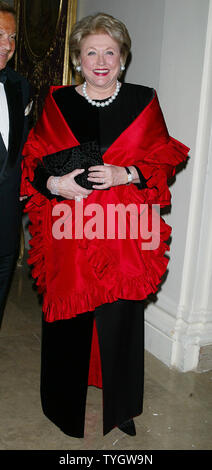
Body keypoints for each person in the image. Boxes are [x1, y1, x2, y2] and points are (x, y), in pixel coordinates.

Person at [21, 13, 189, 438]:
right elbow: (34, 162)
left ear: (123, 59)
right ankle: (63, 403)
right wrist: (56, 182)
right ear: (78, 59)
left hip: (124, 231)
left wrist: (126, 173)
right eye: (91, 52)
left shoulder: (143, 101)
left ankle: (122, 407)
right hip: (68, 230)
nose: (101, 60)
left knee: (121, 317)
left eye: (109, 52)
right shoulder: (59, 102)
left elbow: (163, 162)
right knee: (69, 317)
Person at [0, 1, 31, 327]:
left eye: (11, 37)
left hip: (6, 217)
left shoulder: (19, 86)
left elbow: (21, 149)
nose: (7, 45)